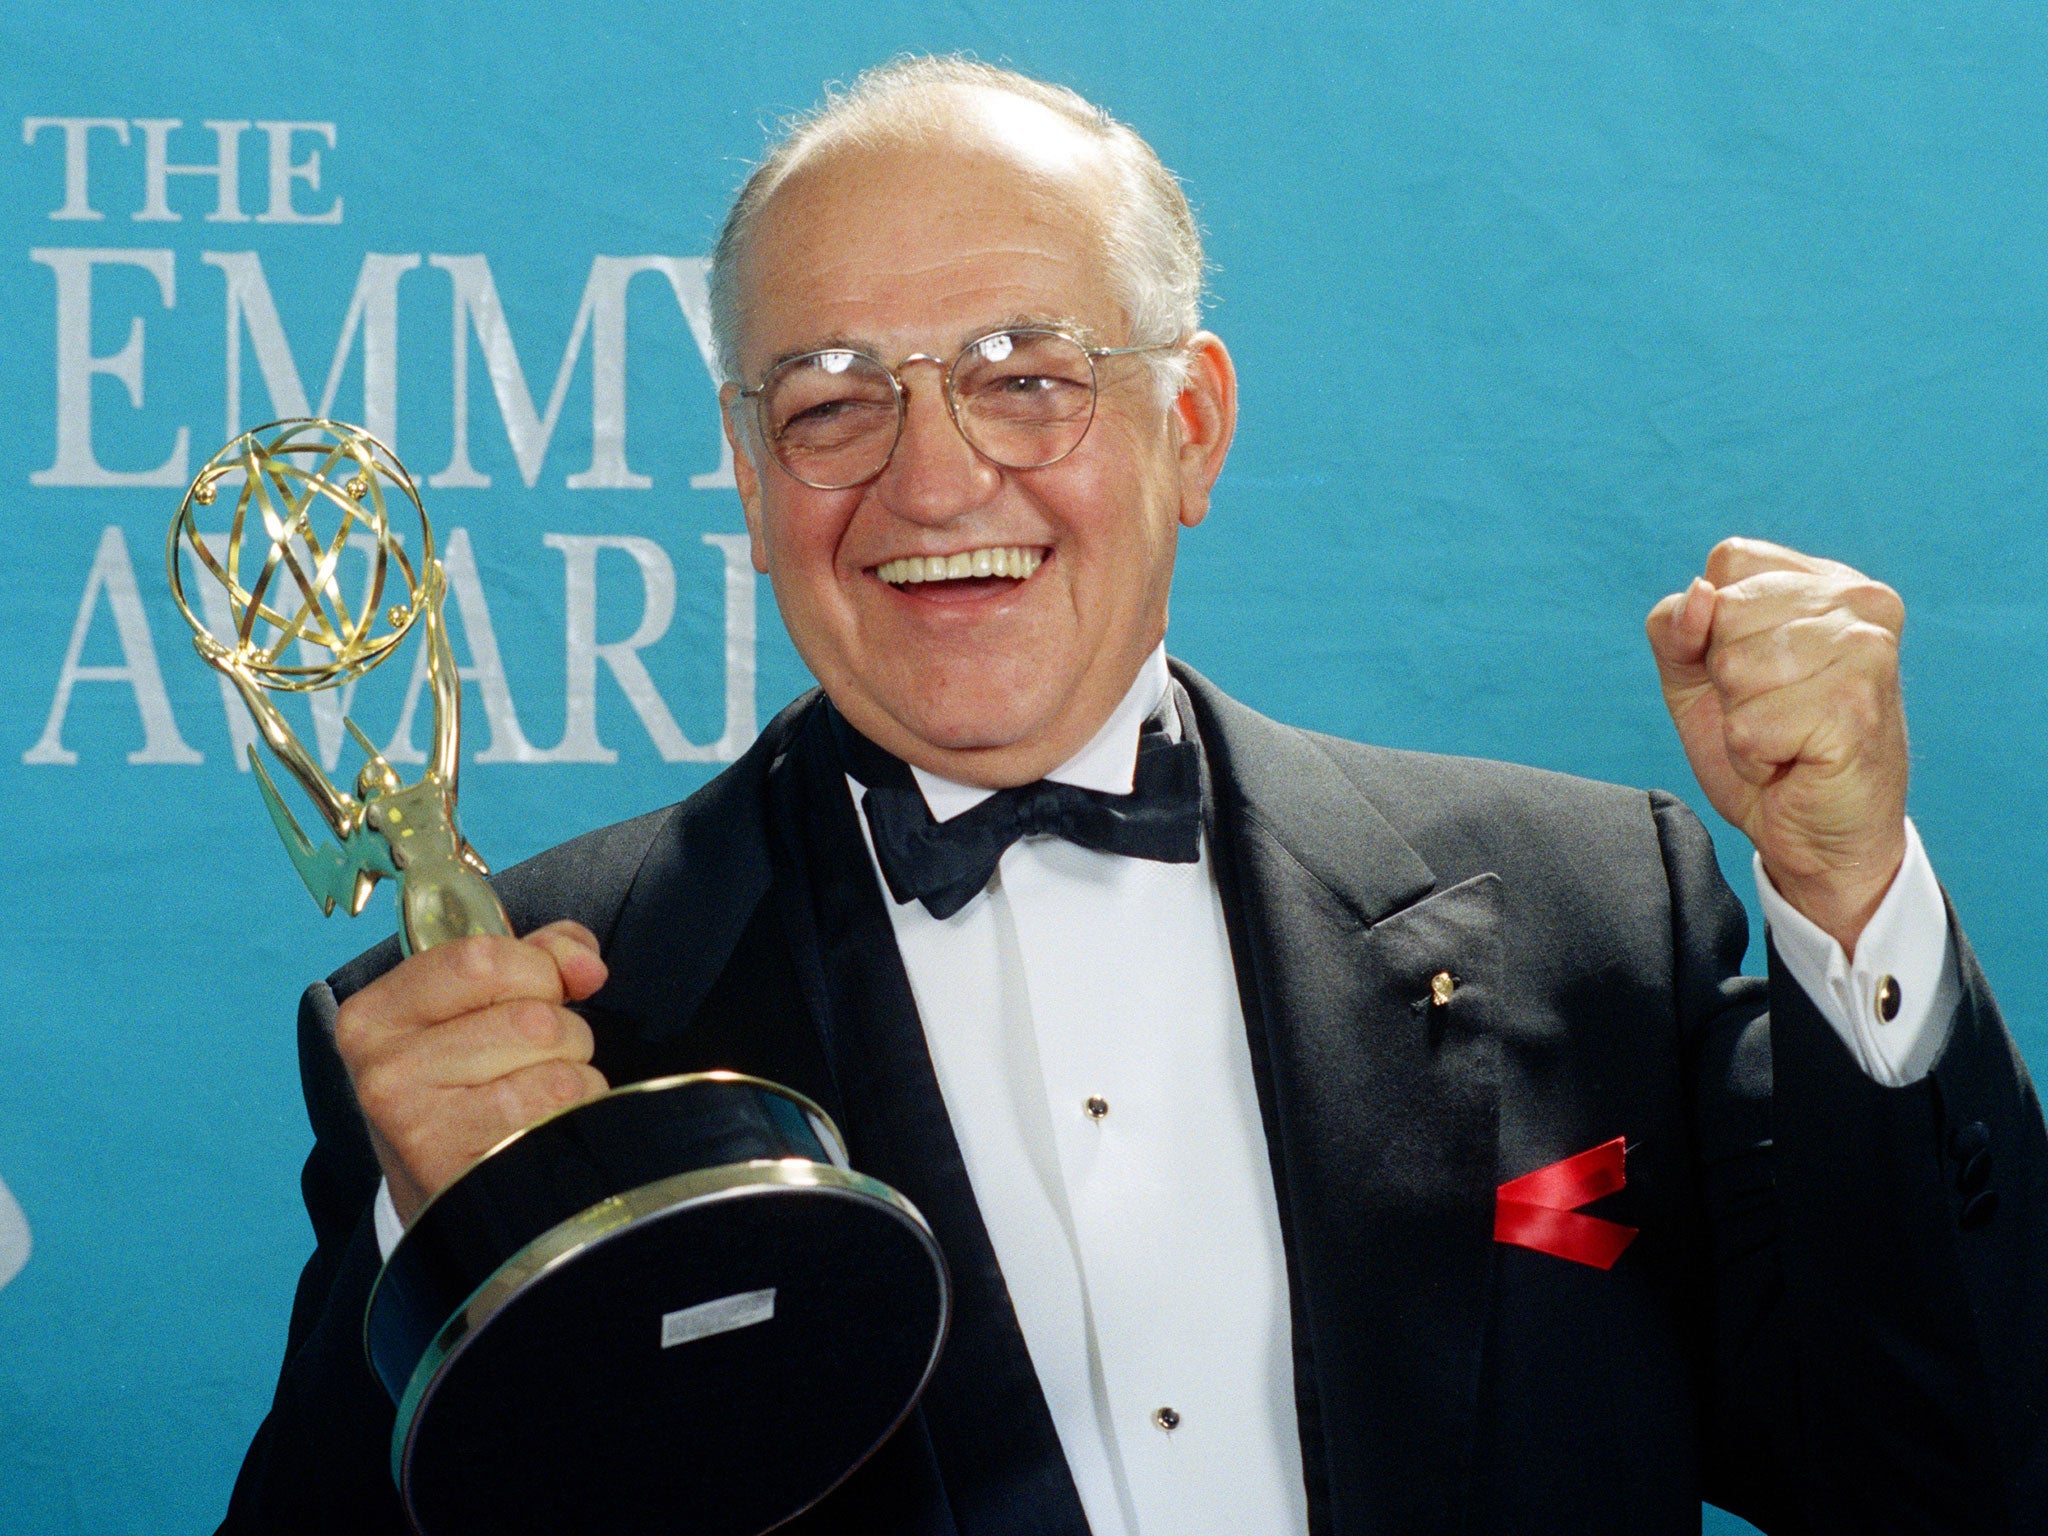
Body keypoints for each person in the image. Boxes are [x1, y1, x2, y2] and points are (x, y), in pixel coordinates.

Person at [220, 57, 2047, 1536]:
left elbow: (1944, 1479)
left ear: (1190, 429)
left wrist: (1846, 902)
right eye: (835, 402)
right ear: (749, 468)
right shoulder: (544, 1009)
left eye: (1030, 379)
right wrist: (440, 1253)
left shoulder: (1591, 904)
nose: (934, 483)